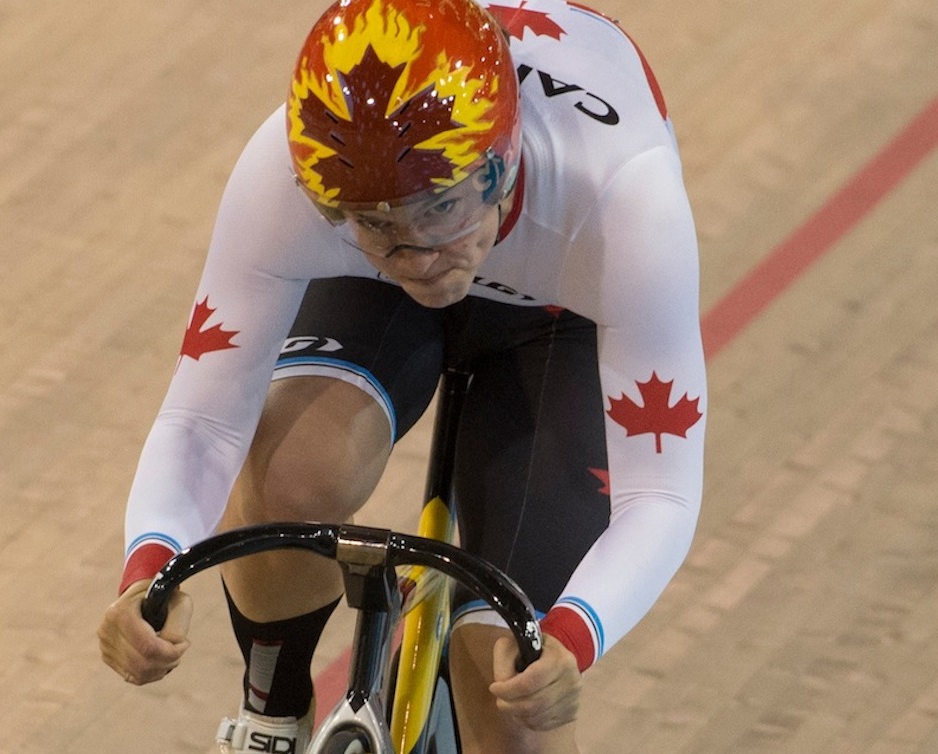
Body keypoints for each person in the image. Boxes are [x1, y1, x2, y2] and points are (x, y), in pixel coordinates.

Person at [97, 0, 706, 751]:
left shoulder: (626, 203)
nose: (419, 257)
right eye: (378, 223)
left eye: (440, 210)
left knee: (513, 698)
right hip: (373, 295)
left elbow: (663, 495)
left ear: (504, 158)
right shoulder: (289, 175)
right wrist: (148, 571)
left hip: (558, 318)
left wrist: (574, 637)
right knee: (289, 479)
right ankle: (272, 716)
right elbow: (202, 419)